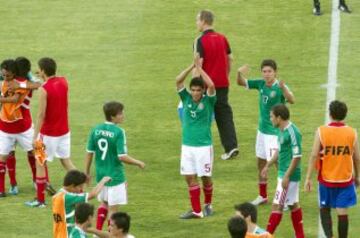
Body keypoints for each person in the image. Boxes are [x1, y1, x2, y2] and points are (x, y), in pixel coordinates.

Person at [237, 60, 294, 206]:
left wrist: (284, 89)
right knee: (261, 162)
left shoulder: (279, 86)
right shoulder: (260, 84)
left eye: (269, 71)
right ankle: (262, 196)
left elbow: (292, 100)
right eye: (264, 71)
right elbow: (241, 82)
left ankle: (288, 199)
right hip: (261, 132)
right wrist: (239, 73)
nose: (267, 74)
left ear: (275, 72)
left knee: (278, 165)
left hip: (274, 134)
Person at [85, 101, 145, 231]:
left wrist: (87, 172)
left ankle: (97, 233)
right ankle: (109, 235)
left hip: (101, 176)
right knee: (113, 209)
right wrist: (138, 162)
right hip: (115, 176)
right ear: (112, 116)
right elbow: (121, 156)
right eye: (120, 113)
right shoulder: (118, 132)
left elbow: (89, 153)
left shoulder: (95, 129)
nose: (123, 115)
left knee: (104, 203)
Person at [304, 100, 360, 238]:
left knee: (324, 208)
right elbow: (357, 158)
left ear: (330, 114)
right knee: (342, 212)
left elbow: (313, 155)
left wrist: (308, 178)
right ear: (345, 115)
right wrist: (358, 176)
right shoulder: (352, 133)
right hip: (345, 180)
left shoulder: (321, 131)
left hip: (326, 180)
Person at [25, 57, 76, 207]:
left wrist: (35, 137)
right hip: (64, 132)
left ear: (43, 71)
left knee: (40, 163)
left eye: (39, 69)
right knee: (66, 161)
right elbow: (53, 84)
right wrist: (42, 76)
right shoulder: (64, 81)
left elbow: (41, 115)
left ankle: (40, 200)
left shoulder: (43, 90)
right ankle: (81, 186)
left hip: (47, 134)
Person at [194, 9, 238, 160]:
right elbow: (230, 58)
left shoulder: (200, 41)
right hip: (223, 83)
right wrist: (225, 74)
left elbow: (198, 65)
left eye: (198, 20)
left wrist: (195, 86)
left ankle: (201, 147)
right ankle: (231, 147)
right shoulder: (222, 38)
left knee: (202, 115)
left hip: (207, 85)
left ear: (204, 21)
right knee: (224, 114)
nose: (196, 23)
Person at [176, 56, 216, 219]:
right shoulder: (185, 98)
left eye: (198, 90)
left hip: (203, 146)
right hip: (187, 146)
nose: (195, 93)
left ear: (202, 91)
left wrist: (199, 69)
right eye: (193, 90)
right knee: (189, 177)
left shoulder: (209, 101)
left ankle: (208, 204)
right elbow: (178, 81)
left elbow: (212, 85)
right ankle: (196, 210)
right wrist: (191, 65)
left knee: (205, 177)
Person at [261, 104, 304, 237]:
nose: (270, 119)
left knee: (277, 206)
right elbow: (280, 151)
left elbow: (297, 157)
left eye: (272, 117)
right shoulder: (280, 130)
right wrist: (267, 165)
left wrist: (286, 176)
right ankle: (300, 235)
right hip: (284, 174)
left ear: (279, 118)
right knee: (293, 205)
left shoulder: (293, 132)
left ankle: (267, 235)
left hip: (289, 175)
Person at [0, 59, 32, 197]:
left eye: (7, 75)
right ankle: (8, 186)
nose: (5, 77)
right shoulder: (6, 82)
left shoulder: (22, 83)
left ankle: (41, 181)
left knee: (35, 153)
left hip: (23, 127)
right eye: (3, 75)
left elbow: (14, 100)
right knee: (6, 156)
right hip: (6, 126)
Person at [52, 170, 111, 237]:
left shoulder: (57, 195)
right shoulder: (67, 198)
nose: (80, 190)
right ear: (72, 185)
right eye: (80, 187)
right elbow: (93, 195)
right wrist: (103, 181)